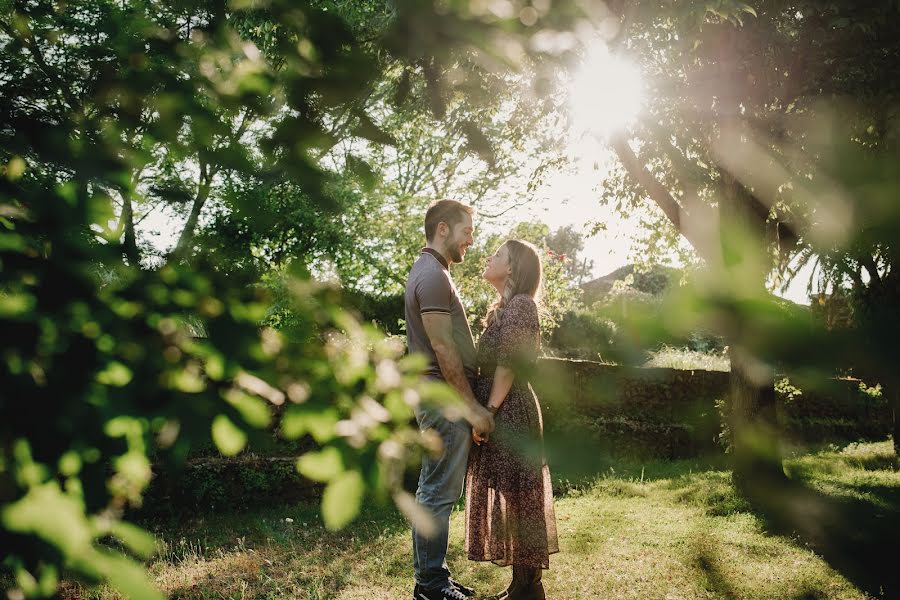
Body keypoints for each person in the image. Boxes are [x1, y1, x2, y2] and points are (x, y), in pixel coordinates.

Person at [405, 199, 496, 600]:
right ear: (443, 229)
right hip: (443, 398)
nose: (471, 241)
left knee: (439, 491)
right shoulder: (432, 275)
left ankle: (434, 575)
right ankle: (430, 586)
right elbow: (443, 348)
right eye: (467, 231)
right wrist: (472, 408)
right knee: (437, 493)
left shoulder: (433, 271)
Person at [465, 239, 559, 600]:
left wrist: (487, 412)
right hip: (500, 407)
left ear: (513, 268)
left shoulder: (521, 306)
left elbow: (508, 364)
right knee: (512, 494)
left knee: (520, 497)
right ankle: (523, 585)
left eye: (498, 255)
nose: (489, 258)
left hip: (510, 410)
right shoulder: (504, 308)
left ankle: (529, 587)